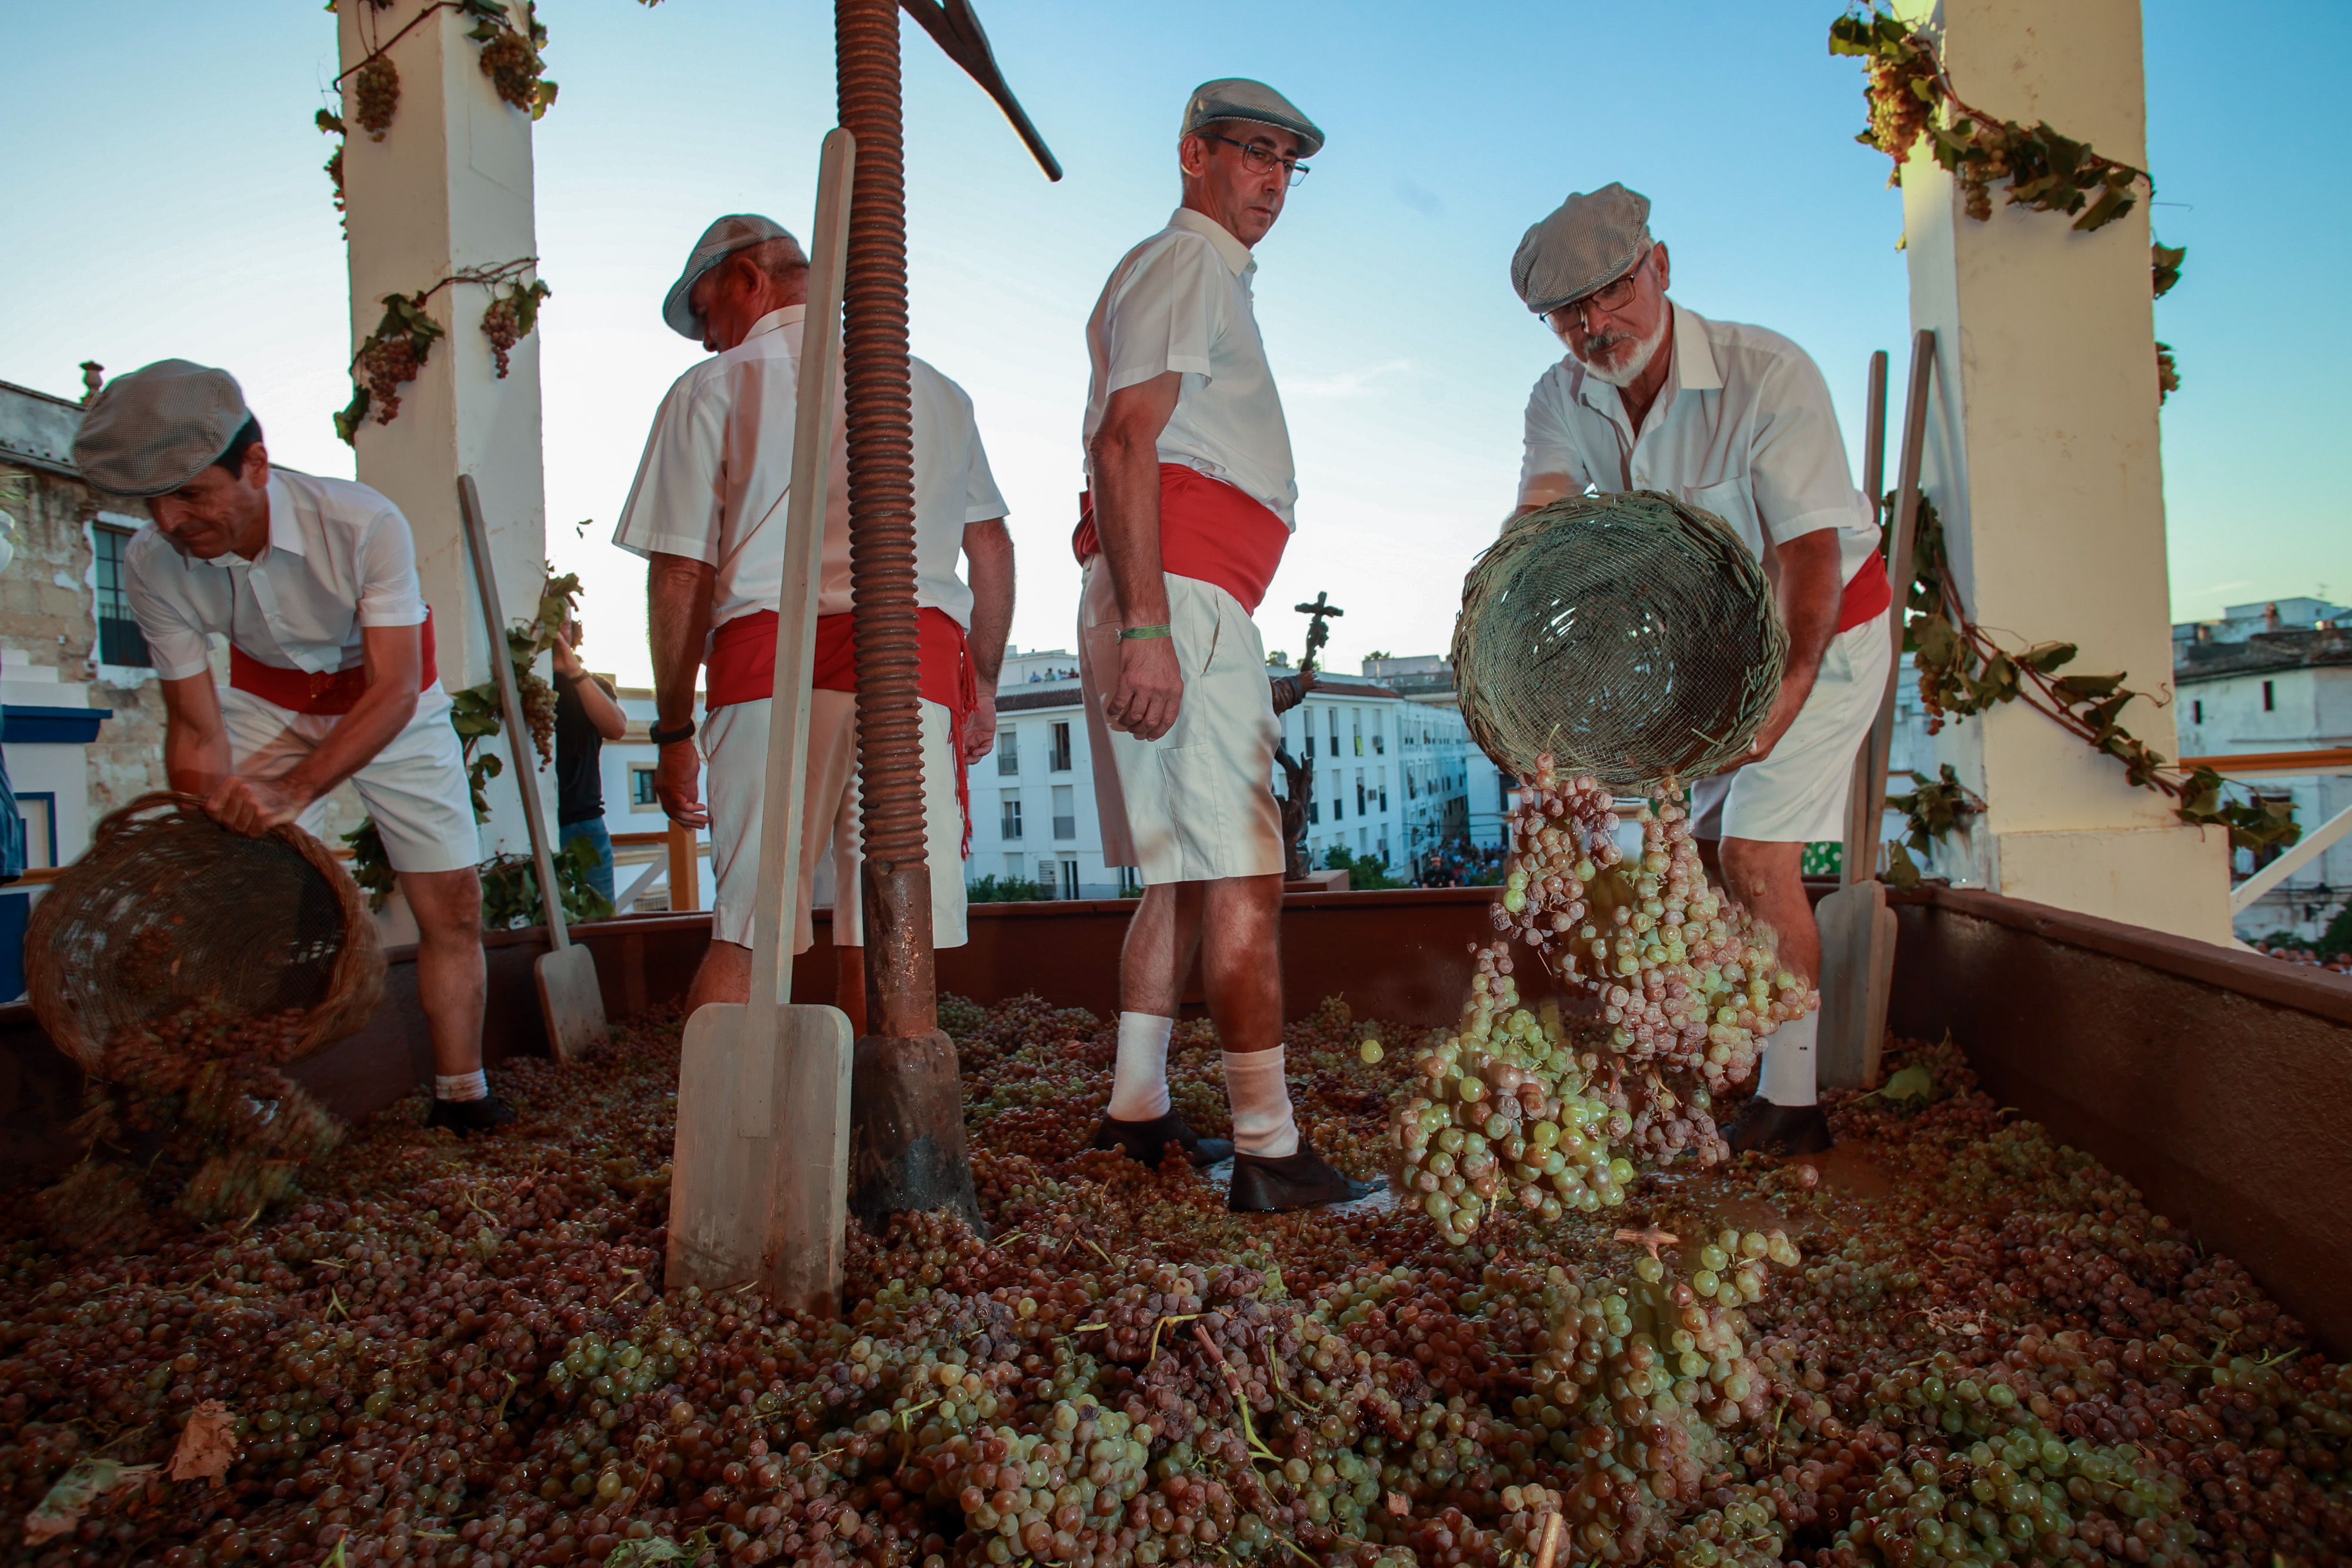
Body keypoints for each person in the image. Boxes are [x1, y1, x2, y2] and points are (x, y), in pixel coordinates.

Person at [1509, 183, 1892, 1155]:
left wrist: (1790, 691)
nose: (1597, 325)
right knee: (1661, 858)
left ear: (1660, 266)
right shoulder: (1561, 397)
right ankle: (1726, 1059)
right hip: (1710, 659)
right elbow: (1545, 521)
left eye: (1613, 291)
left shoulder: (1770, 375)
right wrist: (1524, 661)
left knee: (1753, 858)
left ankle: (1795, 1104)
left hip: (1828, 636)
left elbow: (1807, 556)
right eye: (1569, 312)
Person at [74, 360, 510, 1133]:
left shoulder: (364, 521)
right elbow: (198, 724)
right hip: (266, 701)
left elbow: (395, 689)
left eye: (192, 494)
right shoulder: (150, 560)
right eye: (156, 502)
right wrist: (202, 848)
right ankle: (231, 1100)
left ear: (256, 465)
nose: (170, 522)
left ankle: (462, 1095)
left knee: (453, 906)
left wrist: (294, 790)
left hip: (391, 703)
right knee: (220, 901)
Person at [1077, 80, 1374, 1211]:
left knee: (1186, 877)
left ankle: (1137, 1111)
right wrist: (1150, 624)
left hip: (1179, 587)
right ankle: (1269, 1147)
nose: (1274, 181)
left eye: (1290, 164)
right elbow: (1125, 438)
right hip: (1180, 594)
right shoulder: (1188, 260)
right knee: (1249, 871)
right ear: (1194, 153)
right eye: (1255, 154)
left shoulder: (1188, 270)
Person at [615, 215, 1014, 1028]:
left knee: (753, 931)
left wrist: (670, 727)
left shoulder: (714, 387)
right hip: (916, 675)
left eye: (704, 313)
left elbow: (682, 570)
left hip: (774, 669)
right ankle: (886, 1139)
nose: (703, 340)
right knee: (889, 928)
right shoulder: (932, 386)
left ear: (748, 280)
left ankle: (731, 1152)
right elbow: (991, 546)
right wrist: (987, 685)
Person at [551, 617, 626, 907]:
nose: (559, 629)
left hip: (585, 826)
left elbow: (617, 728)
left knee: (599, 922)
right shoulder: (523, 685)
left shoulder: (593, 686)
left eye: (566, 622)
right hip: (536, 826)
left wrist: (574, 673)